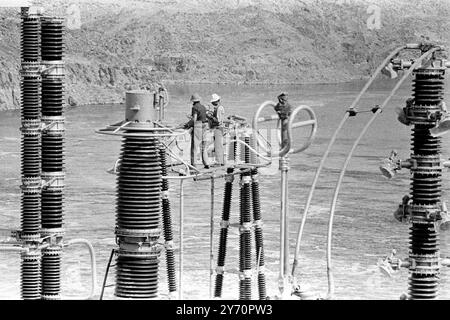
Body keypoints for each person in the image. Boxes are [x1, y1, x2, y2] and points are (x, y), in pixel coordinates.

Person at [183, 93, 210, 169]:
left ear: (193, 101)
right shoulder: (203, 107)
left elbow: (194, 119)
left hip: (198, 126)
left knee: (194, 147)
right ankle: (206, 163)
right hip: (205, 125)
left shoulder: (194, 107)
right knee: (203, 147)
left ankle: (193, 165)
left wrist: (187, 125)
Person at [208, 93, 225, 166]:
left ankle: (219, 162)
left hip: (218, 128)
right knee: (219, 145)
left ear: (216, 101)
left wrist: (210, 117)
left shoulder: (219, 108)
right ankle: (221, 161)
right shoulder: (219, 108)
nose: (212, 103)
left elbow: (217, 120)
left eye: (213, 102)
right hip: (220, 128)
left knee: (218, 145)